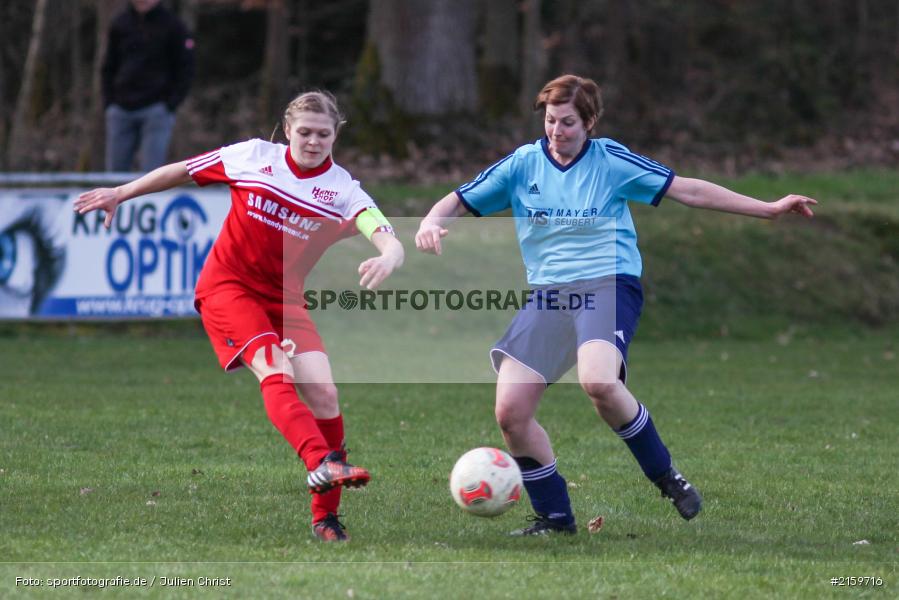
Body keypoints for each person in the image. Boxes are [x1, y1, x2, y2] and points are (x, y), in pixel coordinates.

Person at [415, 74, 817, 535]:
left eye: (568, 122)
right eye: (550, 121)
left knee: (600, 381)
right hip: (549, 295)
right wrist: (430, 221)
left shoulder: (610, 161)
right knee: (510, 413)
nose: (556, 131)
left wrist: (767, 208)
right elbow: (458, 201)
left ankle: (667, 477)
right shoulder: (523, 165)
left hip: (608, 284)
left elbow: (688, 189)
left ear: (590, 122)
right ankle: (555, 516)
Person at [75, 91, 404, 542]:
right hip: (228, 286)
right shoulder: (252, 156)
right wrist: (121, 192)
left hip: (284, 300)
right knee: (277, 369)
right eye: (304, 132)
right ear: (287, 129)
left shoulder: (342, 189)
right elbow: (183, 171)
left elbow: (378, 226)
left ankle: (325, 518)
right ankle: (320, 462)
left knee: (324, 394)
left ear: (335, 135)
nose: (312, 141)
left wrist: (392, 253)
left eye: (322, 134)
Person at [102, 0, 195, 172]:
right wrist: (109, 103)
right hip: (121, 109)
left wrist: (169, 104)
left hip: (156, 110)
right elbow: (108, 66)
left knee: (152, 174)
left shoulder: (173, 25)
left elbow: (186, 69)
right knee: (114, 174)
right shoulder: (120, 23)